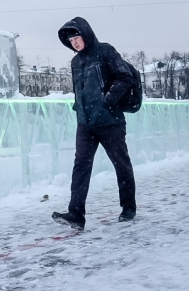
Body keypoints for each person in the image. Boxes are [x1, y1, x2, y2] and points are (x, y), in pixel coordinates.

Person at [52, 17, 137, 230]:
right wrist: (79, 107)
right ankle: (76, 214)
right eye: (70, 40)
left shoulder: (105, 51)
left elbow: (125, 77)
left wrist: (108, 100)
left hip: (110, 121)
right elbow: (80, 89)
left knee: (121, 163)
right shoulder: (75, 62)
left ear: (85, 34)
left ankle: (128, 207)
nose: (74, 42)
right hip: (86, 123)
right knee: (81, 166)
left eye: (76, 37)